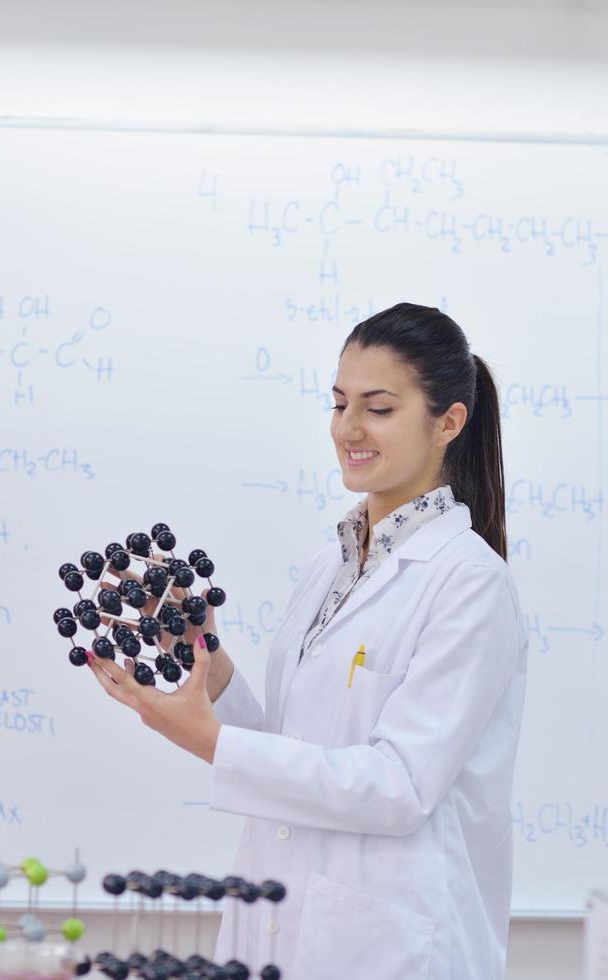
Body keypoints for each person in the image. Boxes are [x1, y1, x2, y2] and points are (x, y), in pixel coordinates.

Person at [87, 303, 528, 979]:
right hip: (285, 919)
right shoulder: (330, 567)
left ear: (448, 422)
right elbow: (299, 751)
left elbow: (398, 787)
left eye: (378, 409)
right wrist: (214, 676)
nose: (348, 428)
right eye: (338, 403)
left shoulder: (469, 582)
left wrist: (207, 740)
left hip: (389, 946)